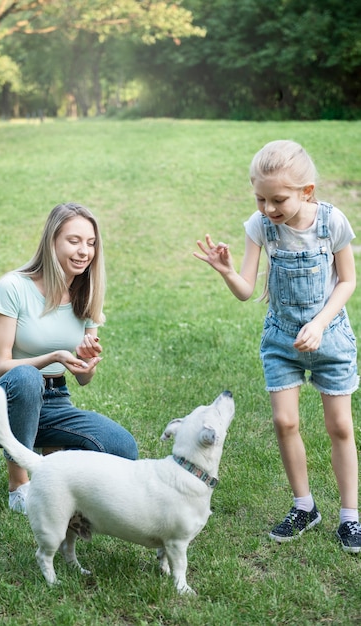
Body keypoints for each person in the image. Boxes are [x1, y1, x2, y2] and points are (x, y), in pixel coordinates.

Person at [194, 140, 361, 553]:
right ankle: (304, 506)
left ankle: (350, 517)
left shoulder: (332, 223)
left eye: (278, 199)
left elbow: (347, 281)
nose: (268, 208)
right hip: (282, 339)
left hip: (331, 336)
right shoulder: (260, 226)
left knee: (340, 426)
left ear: (307, 191)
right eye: (260, 198)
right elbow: (247, 291)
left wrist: (320, 324)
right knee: (285, 423)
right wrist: (228, 272)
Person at [0, 202, 138, 514]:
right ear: (52, 242)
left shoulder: (87, 293)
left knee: (122, 448)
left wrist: (85, 365)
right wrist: (53, 356)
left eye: (90, 243)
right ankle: (20, 486)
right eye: (73, 241)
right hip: (1, 402)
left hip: (56, 399)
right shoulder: (14, 287)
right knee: (26, 377)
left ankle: (55, 469)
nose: (83, 251)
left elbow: (84, 380)